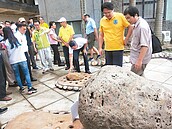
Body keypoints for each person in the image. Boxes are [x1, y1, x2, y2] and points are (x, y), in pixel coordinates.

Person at [2, 26, 37, 94]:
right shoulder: (17, 37)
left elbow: (6, 52)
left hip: (13, 60)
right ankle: (30, 88)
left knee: (17, 75)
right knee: (26, 74)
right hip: (22, 58)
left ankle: (21, 88)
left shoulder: (5, 42)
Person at [98, 2, 133, 67]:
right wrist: (100, 47)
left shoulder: (120, 16)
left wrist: (126, 39)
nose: (107, 14)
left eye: (109, 12)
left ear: (113, 10)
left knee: (117, 69)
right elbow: (101, 35)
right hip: (108, 48)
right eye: (105, 13)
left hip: (118, 48)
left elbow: (130, 27)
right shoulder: (102, 20)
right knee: (109, 69)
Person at [124, 6, 152, 76]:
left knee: (133, 77)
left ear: (135, 15)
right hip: (136, 56)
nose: (127, 20)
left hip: (140, 58)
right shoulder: (137, 24)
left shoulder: (142, 27)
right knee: (140, 76)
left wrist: (139, 61)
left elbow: (144, 46)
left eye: (128, 18)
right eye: (126, 18)